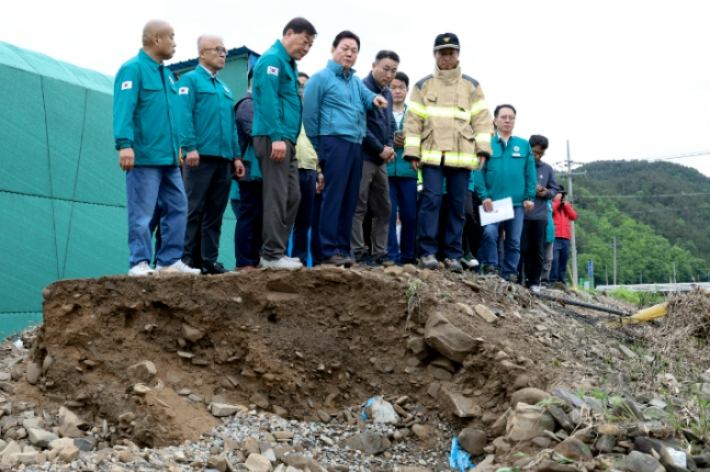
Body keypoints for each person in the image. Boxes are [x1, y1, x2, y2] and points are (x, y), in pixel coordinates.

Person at [113, 20, 199, 276]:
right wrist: (125, 145)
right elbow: (123, 109)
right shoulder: (132, 69)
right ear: (156, 40)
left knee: (178, 207)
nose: (175, 42)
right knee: (142, 212)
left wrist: (179, 150)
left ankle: (168, 261)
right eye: (171, 37)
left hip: (170, 160)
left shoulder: (168, 75)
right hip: (144, 157)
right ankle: (138, 263)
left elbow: (173, 117)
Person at [404, 33, 494, 272]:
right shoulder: (422, 85)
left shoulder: (472, 86)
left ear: (458, 55)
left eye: (451, 53)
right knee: (430, 202)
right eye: (442, 53)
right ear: (435, 55)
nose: (446, 57)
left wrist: (483, 148)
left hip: (461, 156)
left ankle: (454, 254)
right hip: (432, 155)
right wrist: (412, 151)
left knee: (457, 205)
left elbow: (483, 120)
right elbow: (412, 121)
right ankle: (427, 253)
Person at [302, 31, 389, 267]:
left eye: (354, 50)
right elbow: (309, 116)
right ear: (333, 49)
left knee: (350, 199)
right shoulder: (321, 79)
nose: (349, 53)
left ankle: (342, 249)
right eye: (345, 48)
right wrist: (318, 150)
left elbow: (366, 95)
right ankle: (326, 251)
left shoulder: (354, 81)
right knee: (332, 198)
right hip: (333, 142)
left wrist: (375, 100)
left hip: (355, 145)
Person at [252, 17, 317, 269]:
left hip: (285, 139)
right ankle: (271, 255)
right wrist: (277, 138)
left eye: (310, 45)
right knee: (277, 196)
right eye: (305, 42)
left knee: (292, 195)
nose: (306, 49)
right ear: (289, 33)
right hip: (272, 137)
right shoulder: (272, 60)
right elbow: (267, 101)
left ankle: (276, 251)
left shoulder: (287, 64)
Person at [178, 35, 243, 275]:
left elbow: (231, 126)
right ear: (202, 53)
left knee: (215, 213)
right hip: (200, 157)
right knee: (192, 209)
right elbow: (183, 115)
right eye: (218, 49)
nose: (223, 53)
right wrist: (189, 146)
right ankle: (184, 259)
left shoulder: (225, 89)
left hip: (223, 161)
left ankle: (209, 261)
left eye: (225, 49)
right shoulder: (190, 80)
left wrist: (236, 157)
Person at [474, 104, 536, 281]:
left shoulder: (524, 145)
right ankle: (491, 267)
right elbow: (478, 171)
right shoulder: (486, 144)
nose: (507, 120)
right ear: (495, 120)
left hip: (516, 203)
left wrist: (530, 197)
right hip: (493, 203)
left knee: (514, 242)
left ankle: (511, 274)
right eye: (503, 117)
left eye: (511, 117)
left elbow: (530, 173)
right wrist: (484, 195)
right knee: (490, 233)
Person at [351, 50, 399, 267]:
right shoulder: (361, 88)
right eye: (386, 68)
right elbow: (360, 126)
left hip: (380, 159)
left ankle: (380, 252)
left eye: (394, 70)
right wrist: (380, 148)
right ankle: (358, 252)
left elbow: (389, 125)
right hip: (363, 156)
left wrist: (388, 146)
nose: (389, 74)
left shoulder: (387, 93)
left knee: (384, 208)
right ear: (374, 65)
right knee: (358, 206)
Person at [518, 134, 558, 291]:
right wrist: (530, 189)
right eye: (535, 152)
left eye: (541, 153)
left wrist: (545, 193)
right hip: (521, 214)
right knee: (521, 249)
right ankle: (519, 278)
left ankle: (534, 282)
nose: (537, 156)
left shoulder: (547, 169)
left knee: (538, 250)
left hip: (540, 215)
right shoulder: (520, 165)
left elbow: (554, 190)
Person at [386, 72, 418, 266]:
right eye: (393, 87)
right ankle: (391, 256)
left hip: (409, 171)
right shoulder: (382, 111)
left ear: (407, 90)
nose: (397, 91)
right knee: (388, 215)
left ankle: (408, 257)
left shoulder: (414, 115)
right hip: (386, 171)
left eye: (401, 87)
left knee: (410, 216)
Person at [234, 68, 264, 271]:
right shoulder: (247, 105)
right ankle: (245, 261)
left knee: (259, 216)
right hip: (249, 169)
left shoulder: (260, 105)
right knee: (249, 214)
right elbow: (256, 135)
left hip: (260, 171)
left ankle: (254, 258)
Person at [291, 72, 319, 266]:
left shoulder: (315, 113)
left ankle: (299, 260)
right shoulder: (287, 108)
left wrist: (320, 172)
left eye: (305, 86)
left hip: (310, 169)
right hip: (288, 169)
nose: (302, 90)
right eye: (299, 85)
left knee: (304, 220)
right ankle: (277, 258)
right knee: (284, 218)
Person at [550, 185, 578, 287]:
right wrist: (557, 202)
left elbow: (574, 216)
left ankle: (561, 279)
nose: (560, 195)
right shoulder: (552, 204)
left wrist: (566, 205)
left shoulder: (566, 206)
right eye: (559, 193)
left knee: (564, 258)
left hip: (566, 236)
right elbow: (551, 210)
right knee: (555, 258)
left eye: (561, 194)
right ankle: (553, 279)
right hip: (556, 236)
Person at [541, 199, 556, 287]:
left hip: (550, 233)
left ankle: (545, 280)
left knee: (548, 259)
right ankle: (534, 280)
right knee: (537, 258)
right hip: (539, 233)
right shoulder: (538, 201)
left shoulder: (550, 202)